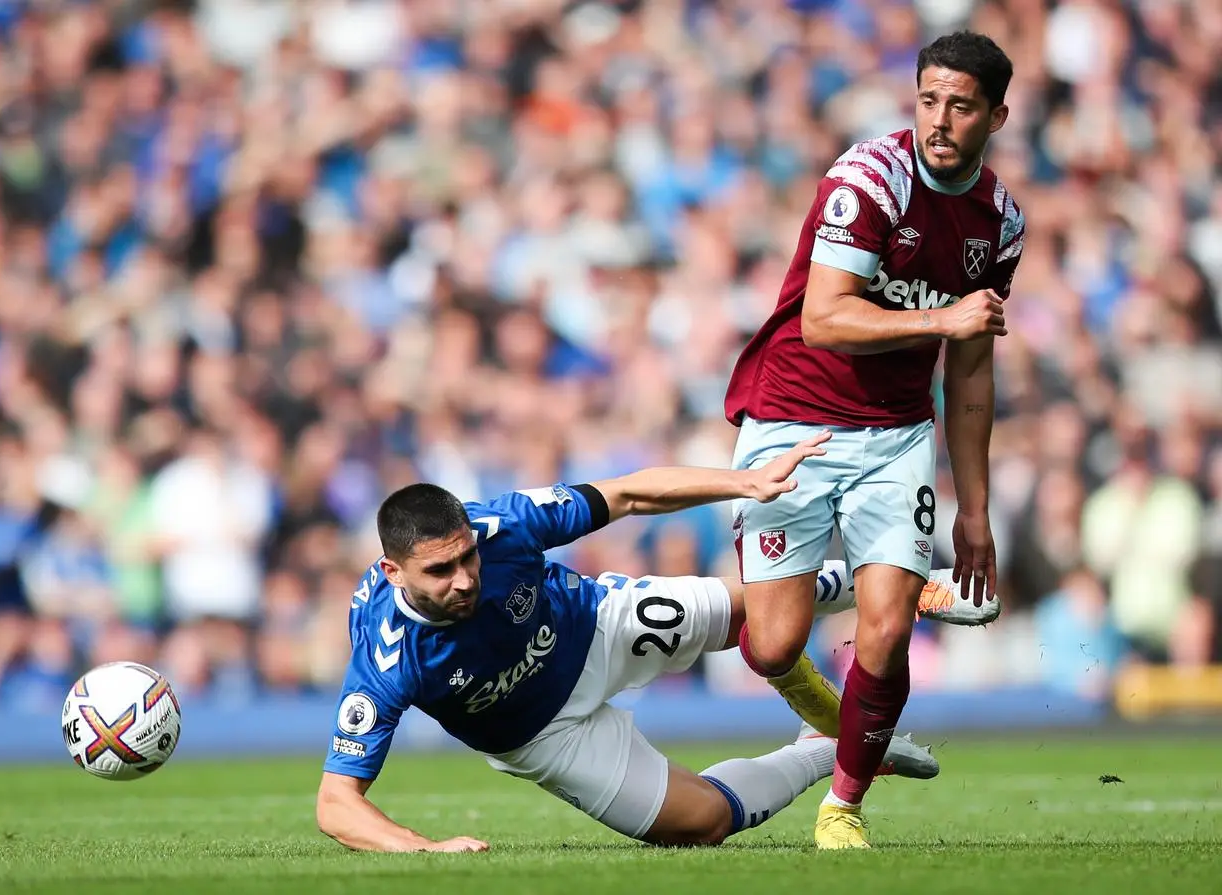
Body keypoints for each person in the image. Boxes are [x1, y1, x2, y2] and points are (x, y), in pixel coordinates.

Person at [316, 434, 998, 852]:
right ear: (392, 571)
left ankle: (917, 585)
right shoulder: (385, 653)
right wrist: (425, 849)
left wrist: (742, 483)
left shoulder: (505, 525)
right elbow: (336, 803)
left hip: (598, 625)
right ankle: (823, 751)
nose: (466, 577)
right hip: (543, 736)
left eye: (466, 555)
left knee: (760, 612)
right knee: (701, 824)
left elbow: (630, 495)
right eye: (442, 570)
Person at [723, 31, 1024, 849]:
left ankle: (843, 803)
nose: (940, 119)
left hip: (895, 435)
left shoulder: (998, 223)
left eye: (961, 105)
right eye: (928, 99)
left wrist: (976, 511)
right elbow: (824, 319)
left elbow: (968, 378)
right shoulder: (868, 180)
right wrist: (944, 315)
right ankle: (854, 695)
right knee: (771, 644)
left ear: (996, 115)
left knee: (885, 633)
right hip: (792, 420)